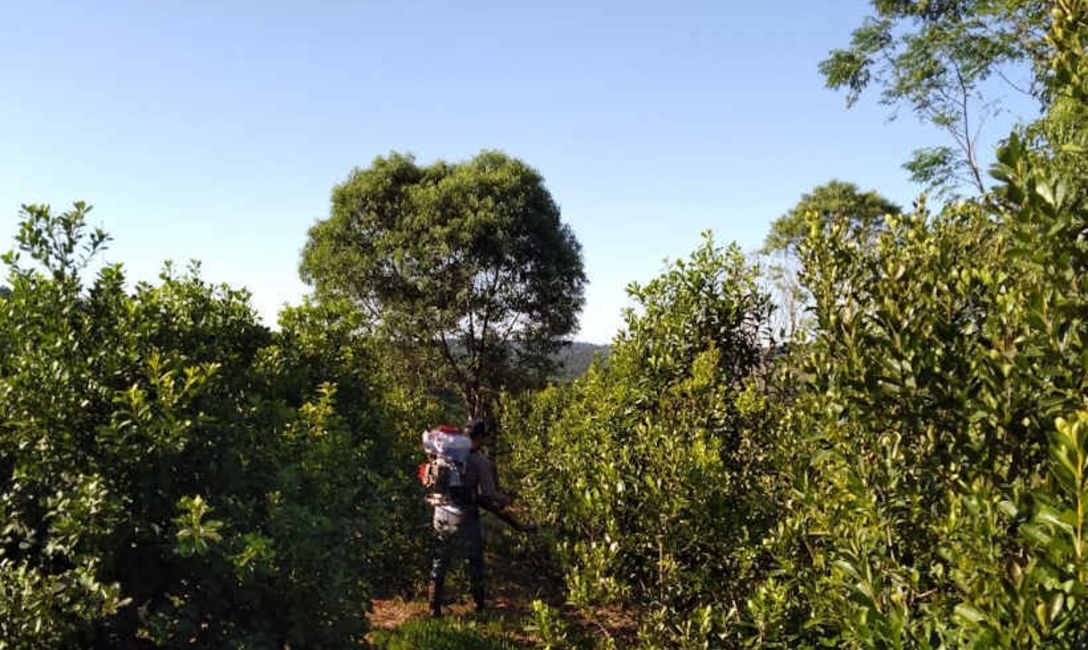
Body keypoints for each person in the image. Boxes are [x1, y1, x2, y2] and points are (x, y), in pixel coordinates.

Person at [427, 418, 525, 617]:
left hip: (441, 512)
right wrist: (506, 499)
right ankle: (479, 606)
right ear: (481, 437)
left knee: (440, 560)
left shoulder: (445, 453)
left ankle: (433, 608)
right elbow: (489, 493)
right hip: (465, 516)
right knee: (475, 560)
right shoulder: (479, 461)